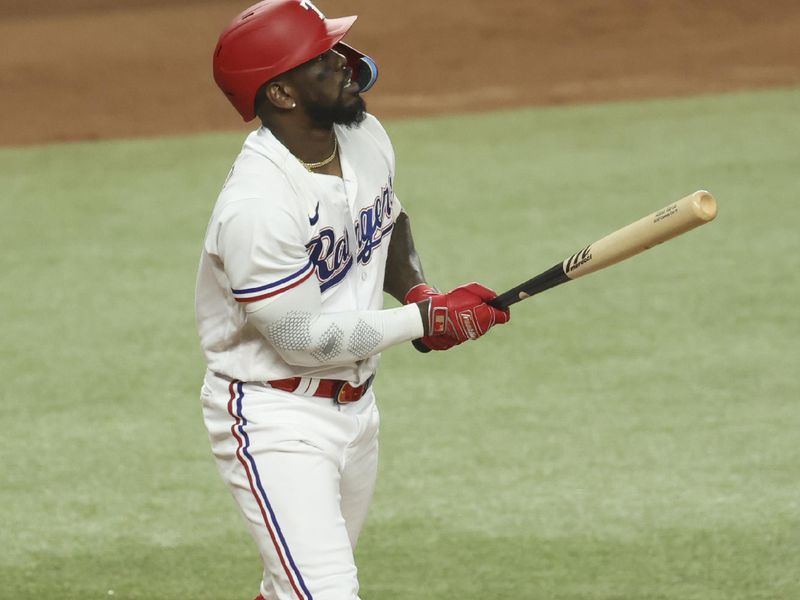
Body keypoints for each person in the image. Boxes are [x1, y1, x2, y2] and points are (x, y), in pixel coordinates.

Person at [195, 1, 510, 598]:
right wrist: (424, 320)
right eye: (322, 59)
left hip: (358, 411)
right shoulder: (257, 207)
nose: (345, 62)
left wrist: (419, 291)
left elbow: (385, 221)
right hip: (274, 418)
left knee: (291, 587)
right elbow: (301, 342)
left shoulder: (362, 134)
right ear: (283, 94)